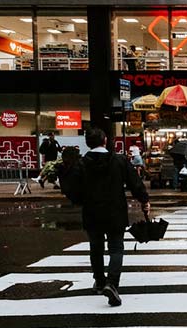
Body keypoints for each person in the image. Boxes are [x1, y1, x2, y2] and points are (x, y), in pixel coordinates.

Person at [59, 128, 150, 307]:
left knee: (96, 247)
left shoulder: (81, 163)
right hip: (115, 211)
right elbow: (135, 183)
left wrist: (82, 200)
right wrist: (144, 200)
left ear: (87, 143)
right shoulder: (119, 160)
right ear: (105, 140)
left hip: (92, 212)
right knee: (116, 248)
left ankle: (100, 281)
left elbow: (72, 190)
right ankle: (112, 283)